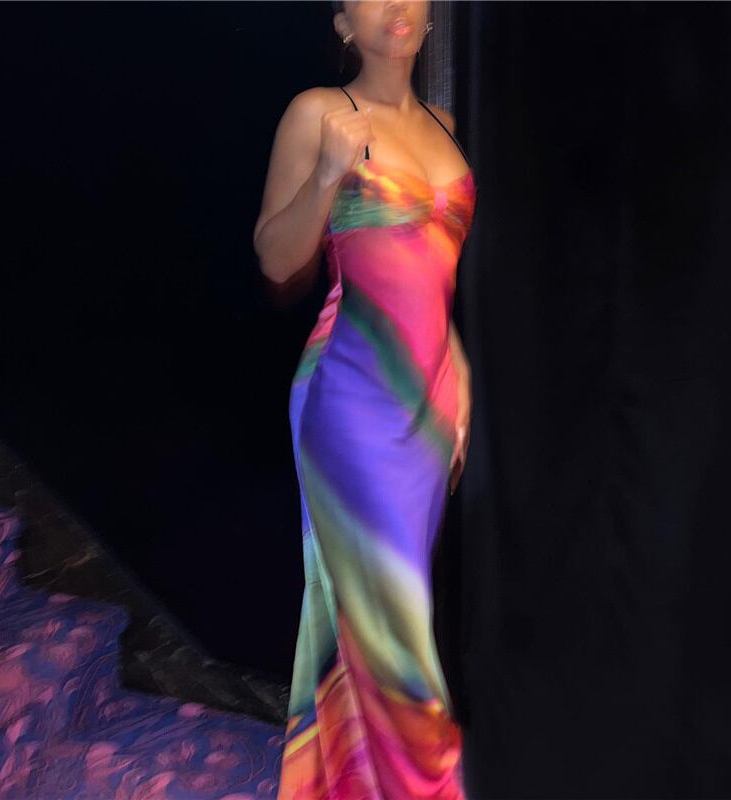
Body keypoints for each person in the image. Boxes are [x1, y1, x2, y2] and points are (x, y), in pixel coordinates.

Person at [253, 2, 476, 796]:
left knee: (377, 627)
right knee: (397, 641)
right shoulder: (319, 112)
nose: (397, 4)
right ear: (344, 23)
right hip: (351, 399)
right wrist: (325, 176)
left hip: (430, 409)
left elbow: (435, 277)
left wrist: (460, 373)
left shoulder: (448, 126)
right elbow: (276, 260)